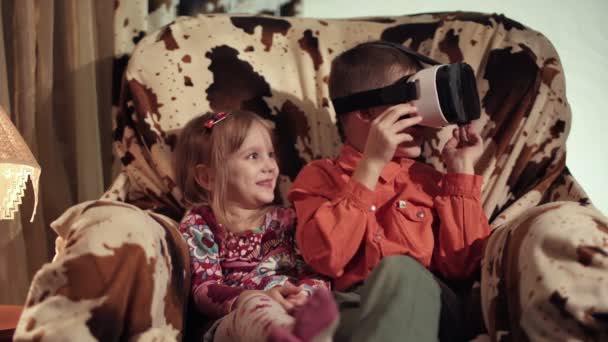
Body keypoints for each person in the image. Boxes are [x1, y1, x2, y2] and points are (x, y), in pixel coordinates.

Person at [287, 41, 492, 341]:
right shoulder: (320, 176)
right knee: (317, 319)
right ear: (368, 114)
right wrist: (370, 166)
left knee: (398, 271)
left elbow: (464, 265)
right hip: (351, 304)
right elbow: (326, 257)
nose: (420, 117)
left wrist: (461, 171)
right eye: (410, 100)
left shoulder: (430, 180)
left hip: (430, 304)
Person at [175, 110, 338, 342]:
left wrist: (303, 295)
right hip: (234, 323)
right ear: (207, 178)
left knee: (325, 304)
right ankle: (288, 335)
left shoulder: (289, 220)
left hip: (293, 310)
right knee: (254, 305)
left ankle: (303, 332)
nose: (270, 166)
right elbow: (204, 290)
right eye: (253, 156)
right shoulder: (201, 224)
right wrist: (258, 297)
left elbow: (314, 271)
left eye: (271, 154)